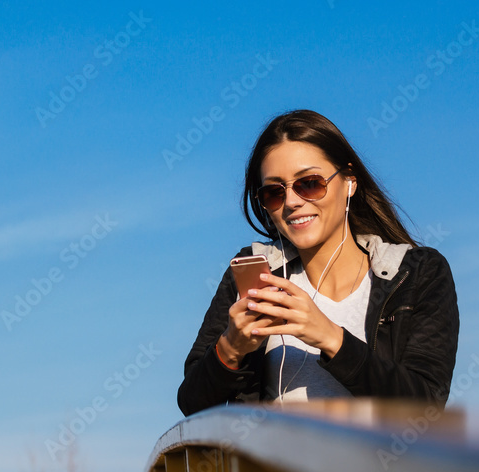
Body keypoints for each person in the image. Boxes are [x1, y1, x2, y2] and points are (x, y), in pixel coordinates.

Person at [177, 110, 459, 417]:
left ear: (349, 182)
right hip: (266, 465)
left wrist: (330, 337)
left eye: (310, 183)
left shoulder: (417, 274)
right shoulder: (256, 274)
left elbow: (426, 408)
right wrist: (231, 348)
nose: (292, 201)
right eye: (274, 192)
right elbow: (193, 405)